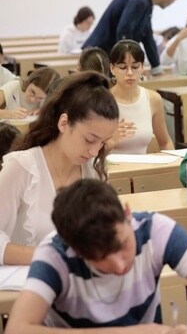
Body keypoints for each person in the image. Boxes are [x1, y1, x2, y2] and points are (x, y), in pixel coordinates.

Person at [5, 178, 187, 333]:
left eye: (122, 245)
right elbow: (17, 329)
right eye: (100, 257)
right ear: (74, 247)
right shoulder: (54, 253)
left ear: (127, 213)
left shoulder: (156, 230)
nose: (119, 264)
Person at [0, 72, 119, 266]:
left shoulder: (93, 173)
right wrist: (52, 257)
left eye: (102, 143)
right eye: (89, 139)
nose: (94, 151)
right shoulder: (21, 167)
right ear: (64, 123)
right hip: (25, 285)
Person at [83, 0, 182, 75]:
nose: (172, 2)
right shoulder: (139, 0)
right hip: (98, 56)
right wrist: (131, 67)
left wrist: (156, 68)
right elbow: (124, 32)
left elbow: (148, 38)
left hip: (104, 54)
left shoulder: (146, 3)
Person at [107, 40, 174, 154]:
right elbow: (89, 152)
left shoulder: (153, 99)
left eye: (135, 66)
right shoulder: (102, 101)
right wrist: (111, 141)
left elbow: (165, 143)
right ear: (112, 68)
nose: (129, 73)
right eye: (123, 67)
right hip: (109, 169)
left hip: (141, 169)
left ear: (142, 67)